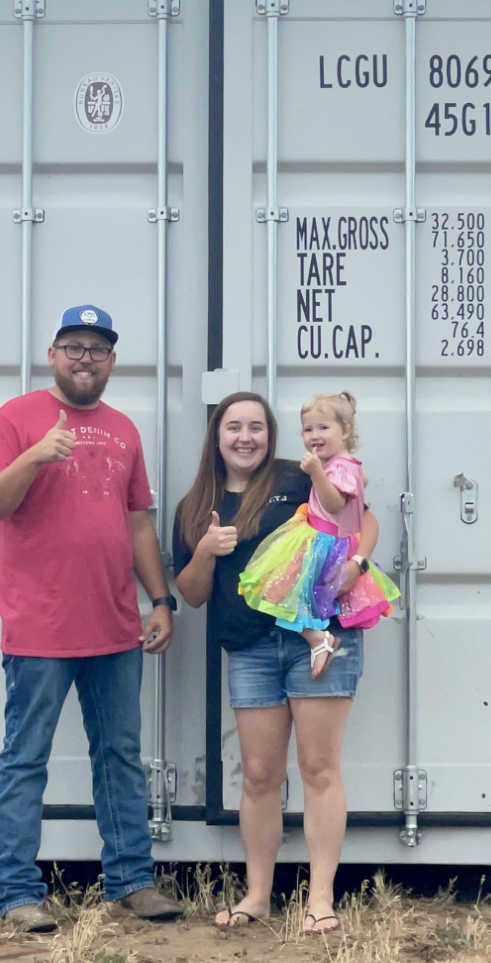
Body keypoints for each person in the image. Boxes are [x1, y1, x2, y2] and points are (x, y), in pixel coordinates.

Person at [0, 304, 183, 933]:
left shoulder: (124, 430)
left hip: (116, 626)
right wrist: (36, 456)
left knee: (120, 755)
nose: (85, 357)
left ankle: (130, 882)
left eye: (97, 348)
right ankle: (16, 891)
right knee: (25, 759)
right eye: (74, 346)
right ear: (53, 355)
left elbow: (137, 521)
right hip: (39, 626)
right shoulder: (16, 419)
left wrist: (161, 600)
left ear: (112, 361)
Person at [172, 392, 384, 934]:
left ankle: (320, 901)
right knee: (260, 776)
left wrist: (358, 563)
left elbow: (364, 517)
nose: (246, 437)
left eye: (257, 428)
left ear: (271, 435)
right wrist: (205, 551)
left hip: (321, 641)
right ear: (216, 437)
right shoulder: (196, 505)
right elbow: (191, 595)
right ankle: (259, 895)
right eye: (234, 427)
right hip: (249, 649)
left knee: (318, 770)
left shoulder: (297, 476)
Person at [239, 392, 398, 677]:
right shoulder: (344, 465)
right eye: (308, 429)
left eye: (323, 427)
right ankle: (317, 639)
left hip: (324, 541)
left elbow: (335, 503)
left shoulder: (334, 468)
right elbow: (361, 482)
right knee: (293, 593)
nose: (314, 435)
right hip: (324, 536)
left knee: (282, 591)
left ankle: (318, 638)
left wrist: (315, 473)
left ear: (346, 431)